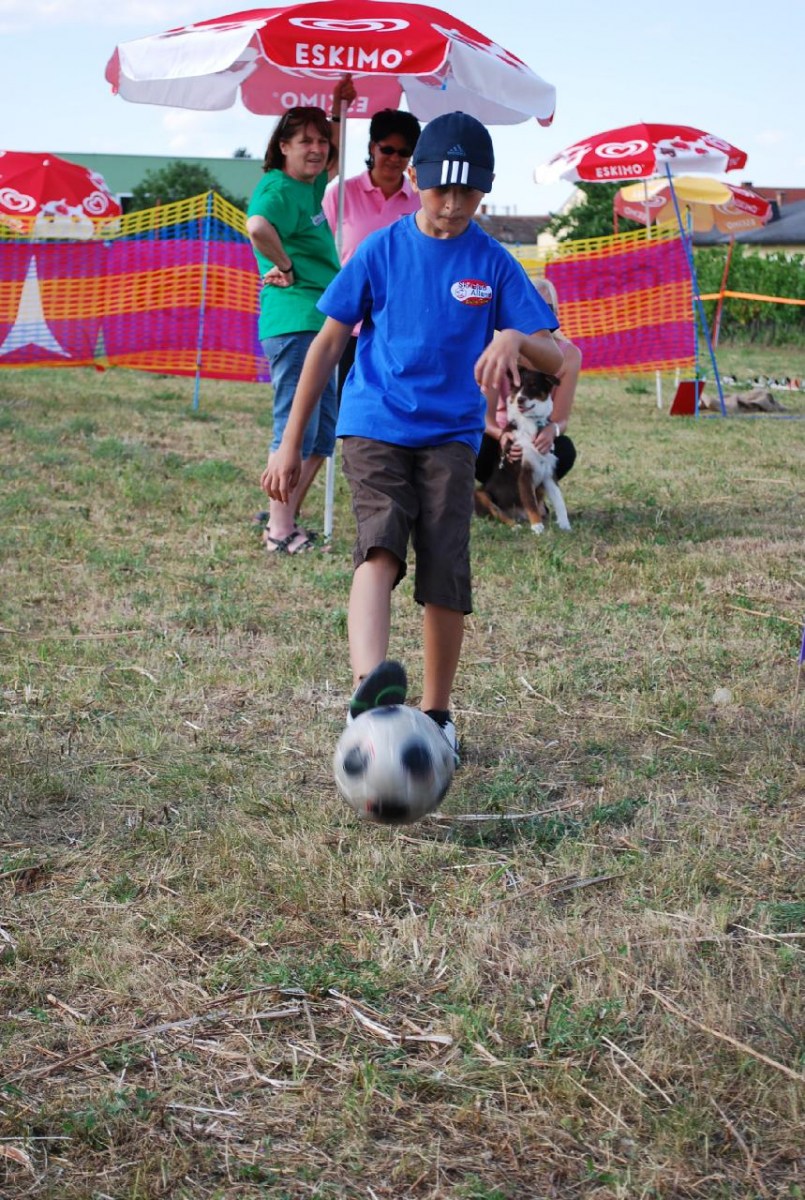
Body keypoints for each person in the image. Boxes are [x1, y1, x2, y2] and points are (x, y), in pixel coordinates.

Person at [263, 111, 563, 758]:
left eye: (467, 192)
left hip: (451, 436)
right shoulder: (380, 249)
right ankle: (369, 697)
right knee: (380, 546)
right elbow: (327, 345)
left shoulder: (493, 261)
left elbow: (556, 356)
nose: (451, 205)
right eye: (439, 189)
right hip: (374, 424)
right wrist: (289, 442)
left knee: (445, 569)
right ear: (417, 179)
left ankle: (437, 714)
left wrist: (514, 336)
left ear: (485, 190)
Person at [246, 75, 355, 556]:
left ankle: (283, 514)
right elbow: (257, 225)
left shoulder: (307, 186)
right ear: (282, 147)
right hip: (294, 322)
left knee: (322, 434)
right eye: (305, 141)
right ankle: (279, 530)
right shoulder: (277, 187)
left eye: (320, 141)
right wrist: (284, 266)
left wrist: (337, 111)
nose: (317, 149)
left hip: (320, 321)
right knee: (295, 427)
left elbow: (334, 159)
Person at [322, 108, 422, 399]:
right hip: (347, 326)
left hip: (401, 326)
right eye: (387, 149)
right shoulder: (340, 194)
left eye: (404, 152)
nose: (394, 158)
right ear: (371, 147)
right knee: (344, 404)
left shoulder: (421, 202)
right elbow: (319, 250)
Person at [475, 275, 581, 494]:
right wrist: (503, 435)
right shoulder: (498, 348)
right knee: (477, 446)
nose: (538, 315)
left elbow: (561, 419)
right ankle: (498, 492)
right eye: (531, 307)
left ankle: (532, 494)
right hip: (502, 436)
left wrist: (551, 431)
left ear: (556, 314)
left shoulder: (569, 355)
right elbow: (485, 419)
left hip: (537, 435)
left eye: (547, 309)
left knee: (564, 449)